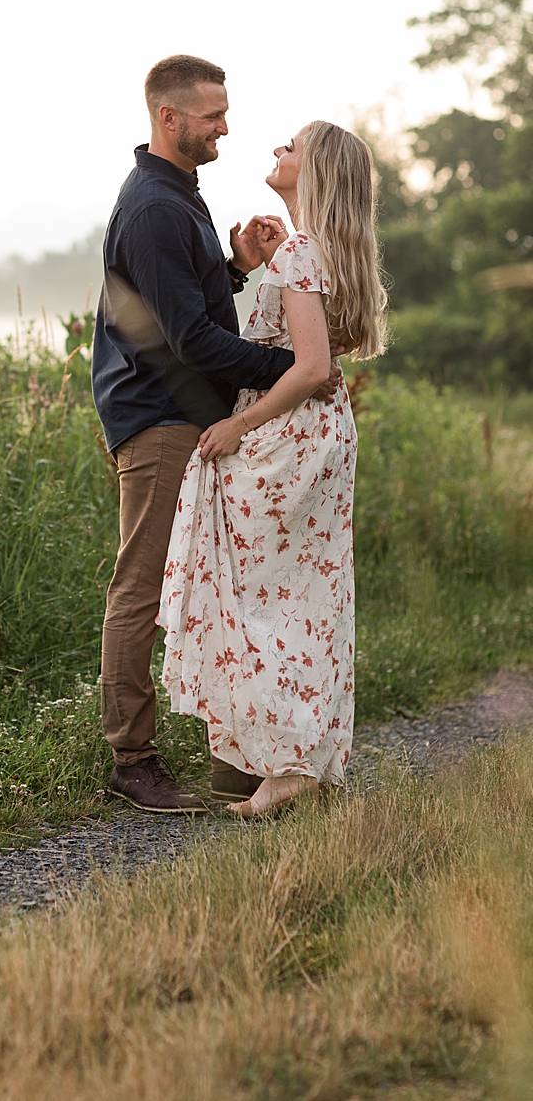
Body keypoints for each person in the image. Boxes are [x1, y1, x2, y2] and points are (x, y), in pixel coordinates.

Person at [92, 55, 339, 815]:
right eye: (212, 116)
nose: (226, 127)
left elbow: (180, 307)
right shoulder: (157, 207)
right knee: (140, 586)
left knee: (194, 587)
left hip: (183, 416)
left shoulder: (177, 195)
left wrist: (231, 265)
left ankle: (233, 754)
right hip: (160, 419)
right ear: (169, 118)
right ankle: (131, 761)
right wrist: (296, 367)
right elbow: (195, 343)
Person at [159, 121, 386, 818]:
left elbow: (311, 366)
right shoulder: (326, 253)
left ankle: (285, 766)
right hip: (319, 436)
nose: (277, 153)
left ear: (313, 171)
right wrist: (244, 268)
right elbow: (320, 357)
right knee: (305, 603)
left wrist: (237, 424)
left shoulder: (299, 252)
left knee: (262, 602)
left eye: (290, 148)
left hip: (284, 438)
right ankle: (295, 761)